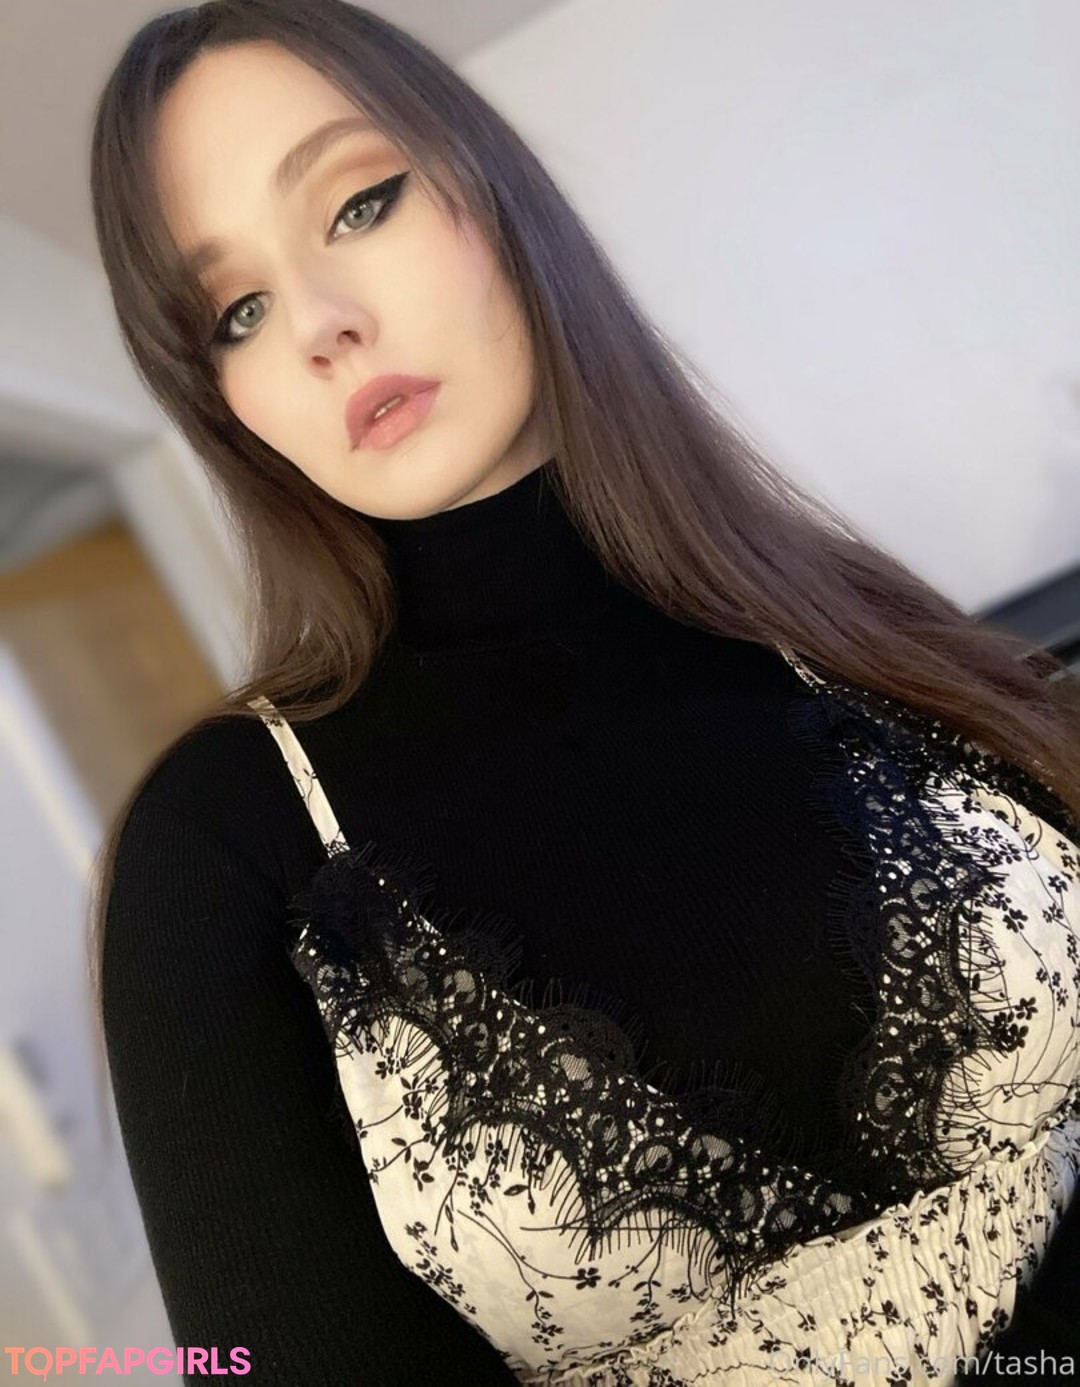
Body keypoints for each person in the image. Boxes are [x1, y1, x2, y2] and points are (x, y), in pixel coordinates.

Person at [87, 1, 1080, 1382]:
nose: (318, 325)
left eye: (359, 205)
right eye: (237, 314)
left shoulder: (845, 622)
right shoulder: (220, 847)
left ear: (492, 187)